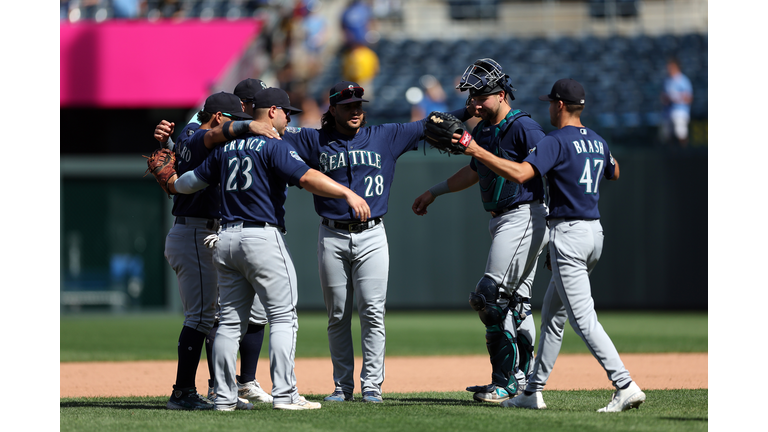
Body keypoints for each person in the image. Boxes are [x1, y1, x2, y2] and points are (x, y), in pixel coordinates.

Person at [165, 87, 372, 411]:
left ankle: (222, 396)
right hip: (261, 236)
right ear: (271, 111)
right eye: (286, 111)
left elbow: (188, 183)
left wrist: (171, 182)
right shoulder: (273, 145)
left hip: (226, 238)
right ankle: (286, 394)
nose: (289, 117)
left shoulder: (226, 149)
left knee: (230, 323)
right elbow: (307, 177)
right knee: (283, 317)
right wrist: (347, 193)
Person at [452, 77, 644, 412]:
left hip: (568, 232)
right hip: (594, 233)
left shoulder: (556, 141)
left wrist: (475, 149)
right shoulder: (598, 141)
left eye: (549, 103)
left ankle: (624, 384)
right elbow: (613, 171)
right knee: (554, 318)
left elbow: (523, 174)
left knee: (583, 319)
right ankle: (531, 391)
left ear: (558, 105)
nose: (549, 109)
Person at [276, 81, 471, 403]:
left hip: (372, 235)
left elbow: (432, 124)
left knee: (372, 313)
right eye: (348, 106)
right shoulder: (314, 139)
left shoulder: (386, 136)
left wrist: (469, 110)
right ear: (333, 110)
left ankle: (372, 385)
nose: (355, 111)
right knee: (337, 315)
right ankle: (342, 386)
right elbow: (275, 131)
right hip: (332, 234)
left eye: (359, 105)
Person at [412, 58, 548, 404]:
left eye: (480, 96)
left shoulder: (524, 128)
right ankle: (524, 382)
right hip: (503, 219)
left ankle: (504, 383)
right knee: (516, 304)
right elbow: (473, 171)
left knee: (487, 296)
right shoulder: (486, 128)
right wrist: (434, 191)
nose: (473, 103)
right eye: (471, 96)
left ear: (501, 95)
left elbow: (539, 172)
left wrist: (558, 227)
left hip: (524, 214)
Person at [154, 82, 278, 408]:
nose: (236, 124)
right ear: (219, 116)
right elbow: (209, 136)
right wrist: (251, 124)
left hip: (203, 232)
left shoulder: (186, 136)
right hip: (194, 234)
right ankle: (182, 393)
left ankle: (220, 389)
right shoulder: (200, 137)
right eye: (232, 119)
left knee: (214, 317)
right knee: (199, 317)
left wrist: (167, 140)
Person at [660, 57, 693, 147]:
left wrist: (676, 98)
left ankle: (684, 154)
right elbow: (663, 97)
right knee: (666, 135)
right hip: (668, 112)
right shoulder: (667, 81)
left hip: (680, 111)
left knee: (680, 132)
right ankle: (670, 155)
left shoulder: (683, 80)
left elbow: (689, 98)